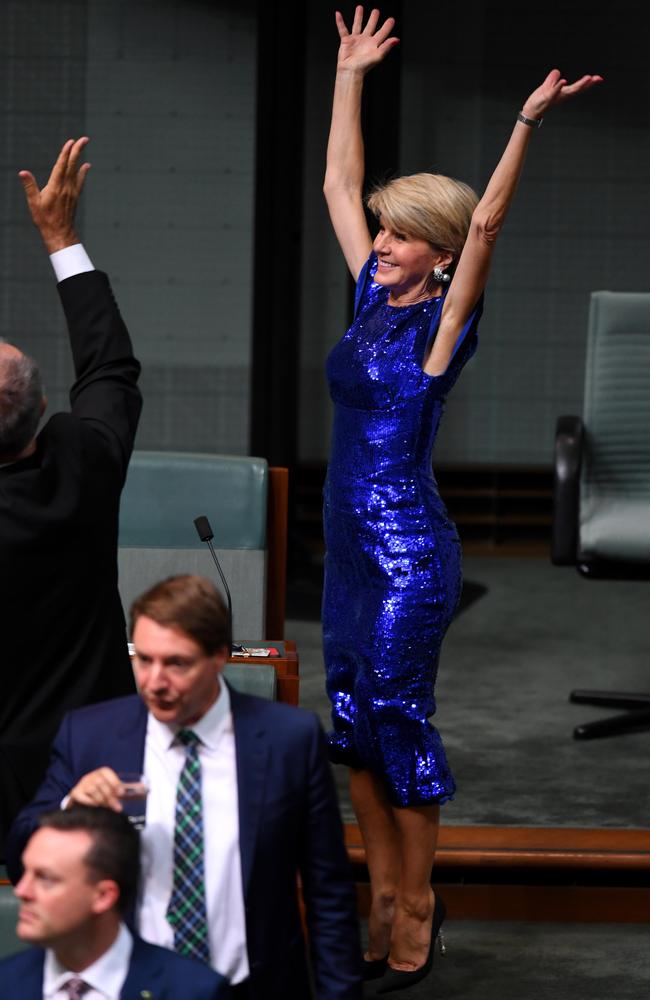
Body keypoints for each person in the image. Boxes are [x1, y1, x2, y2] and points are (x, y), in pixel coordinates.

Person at [321, 6, 602, 993]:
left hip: (405, 552)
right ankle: (380, 894)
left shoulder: (441, 328)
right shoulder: (367, 296)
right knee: (348, 721)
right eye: (383, 231)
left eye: (404, 235)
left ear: (437, 256)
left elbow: (487, 222)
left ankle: (415, 907)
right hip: (345, 549)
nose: (383, 241)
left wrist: (523, 120)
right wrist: (350, 72)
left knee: (396, 715)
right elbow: (336, 182)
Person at [6, 575, 361, 1000]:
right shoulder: (91, 736)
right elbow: (17, 855)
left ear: (218, 658)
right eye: (144, 660)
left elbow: (329, 893)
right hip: (133, 986)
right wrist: (70, 804)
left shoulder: (290, 740)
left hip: (255, 986)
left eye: (176, 663)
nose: (155, 681)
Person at [0, 138, 142, 853]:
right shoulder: (83, 465)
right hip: (84, 769)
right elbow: (109, 363)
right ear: (47, 404)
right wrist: (62, 240)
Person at [0, 805, 230, 998]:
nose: (22, 891)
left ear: (103, 896)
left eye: (46, 879)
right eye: (25, 872)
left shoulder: (193, 992)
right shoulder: (6, 984)